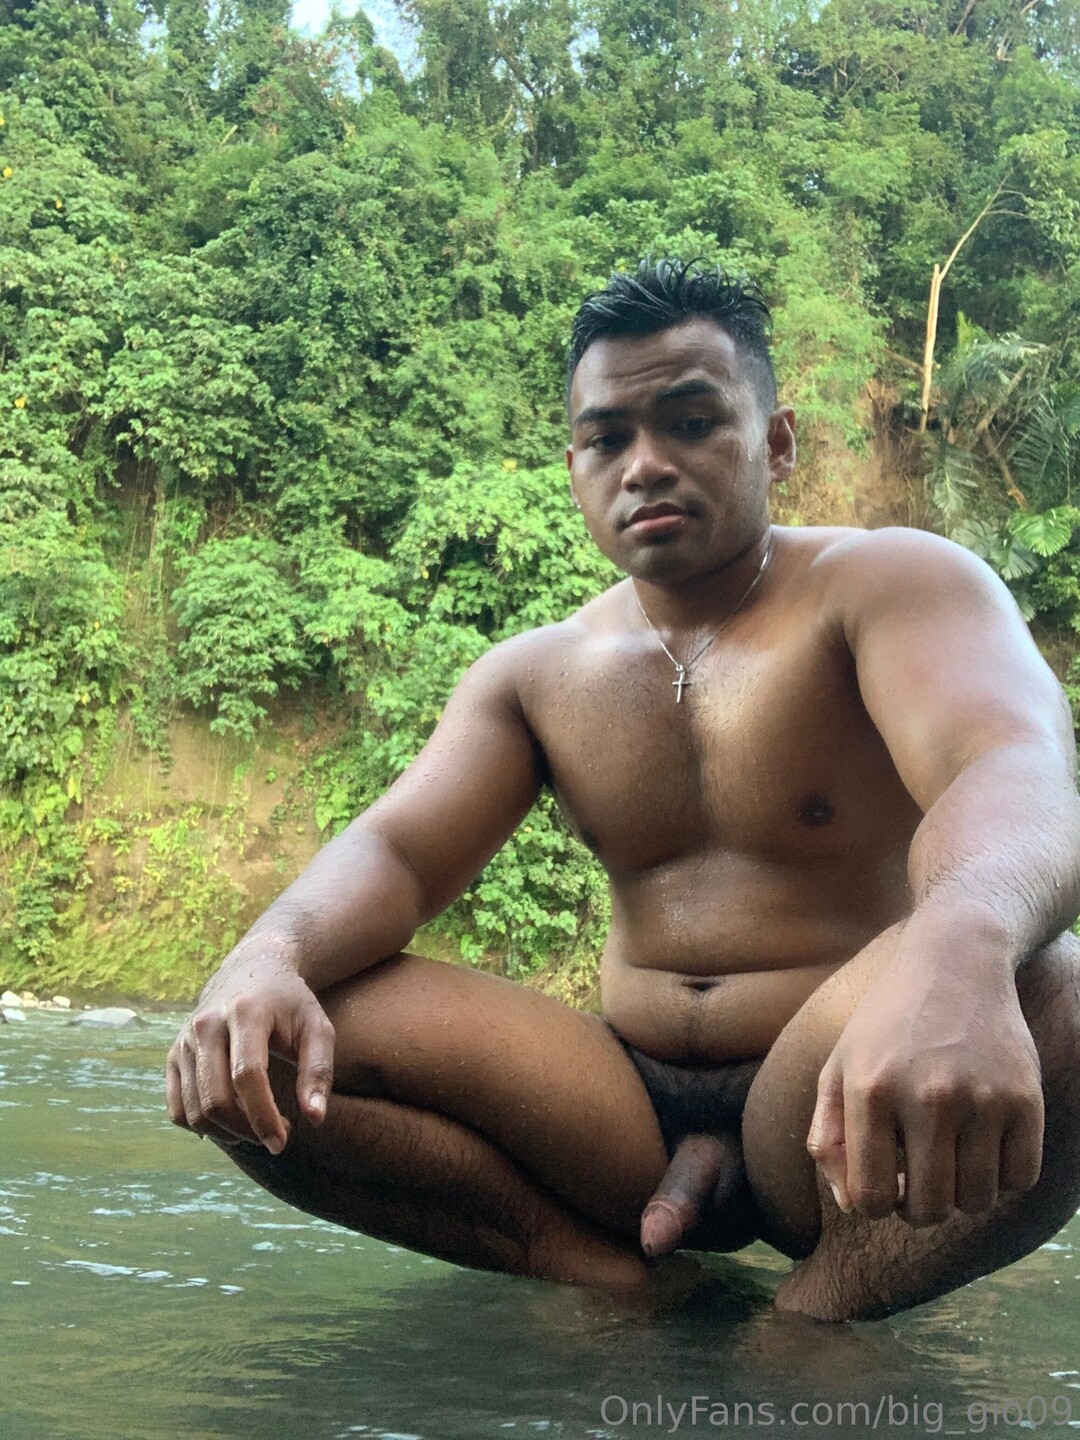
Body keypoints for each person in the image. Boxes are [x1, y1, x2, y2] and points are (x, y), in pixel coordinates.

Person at [166, 259, 1080, 1321]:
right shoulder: (536, 672)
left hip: (838, 1087)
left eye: (692, 423)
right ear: (574, 468)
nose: (646, 464)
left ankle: (813, 1324)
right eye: (608, 440)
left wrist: (963, 949)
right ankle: (620, 1287)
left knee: (1067, 991)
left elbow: (1009, 761)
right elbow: (396, 855)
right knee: (255, 1046)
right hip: (613, 1108)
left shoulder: (892, 585)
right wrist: (263, 957)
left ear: (777, 441)